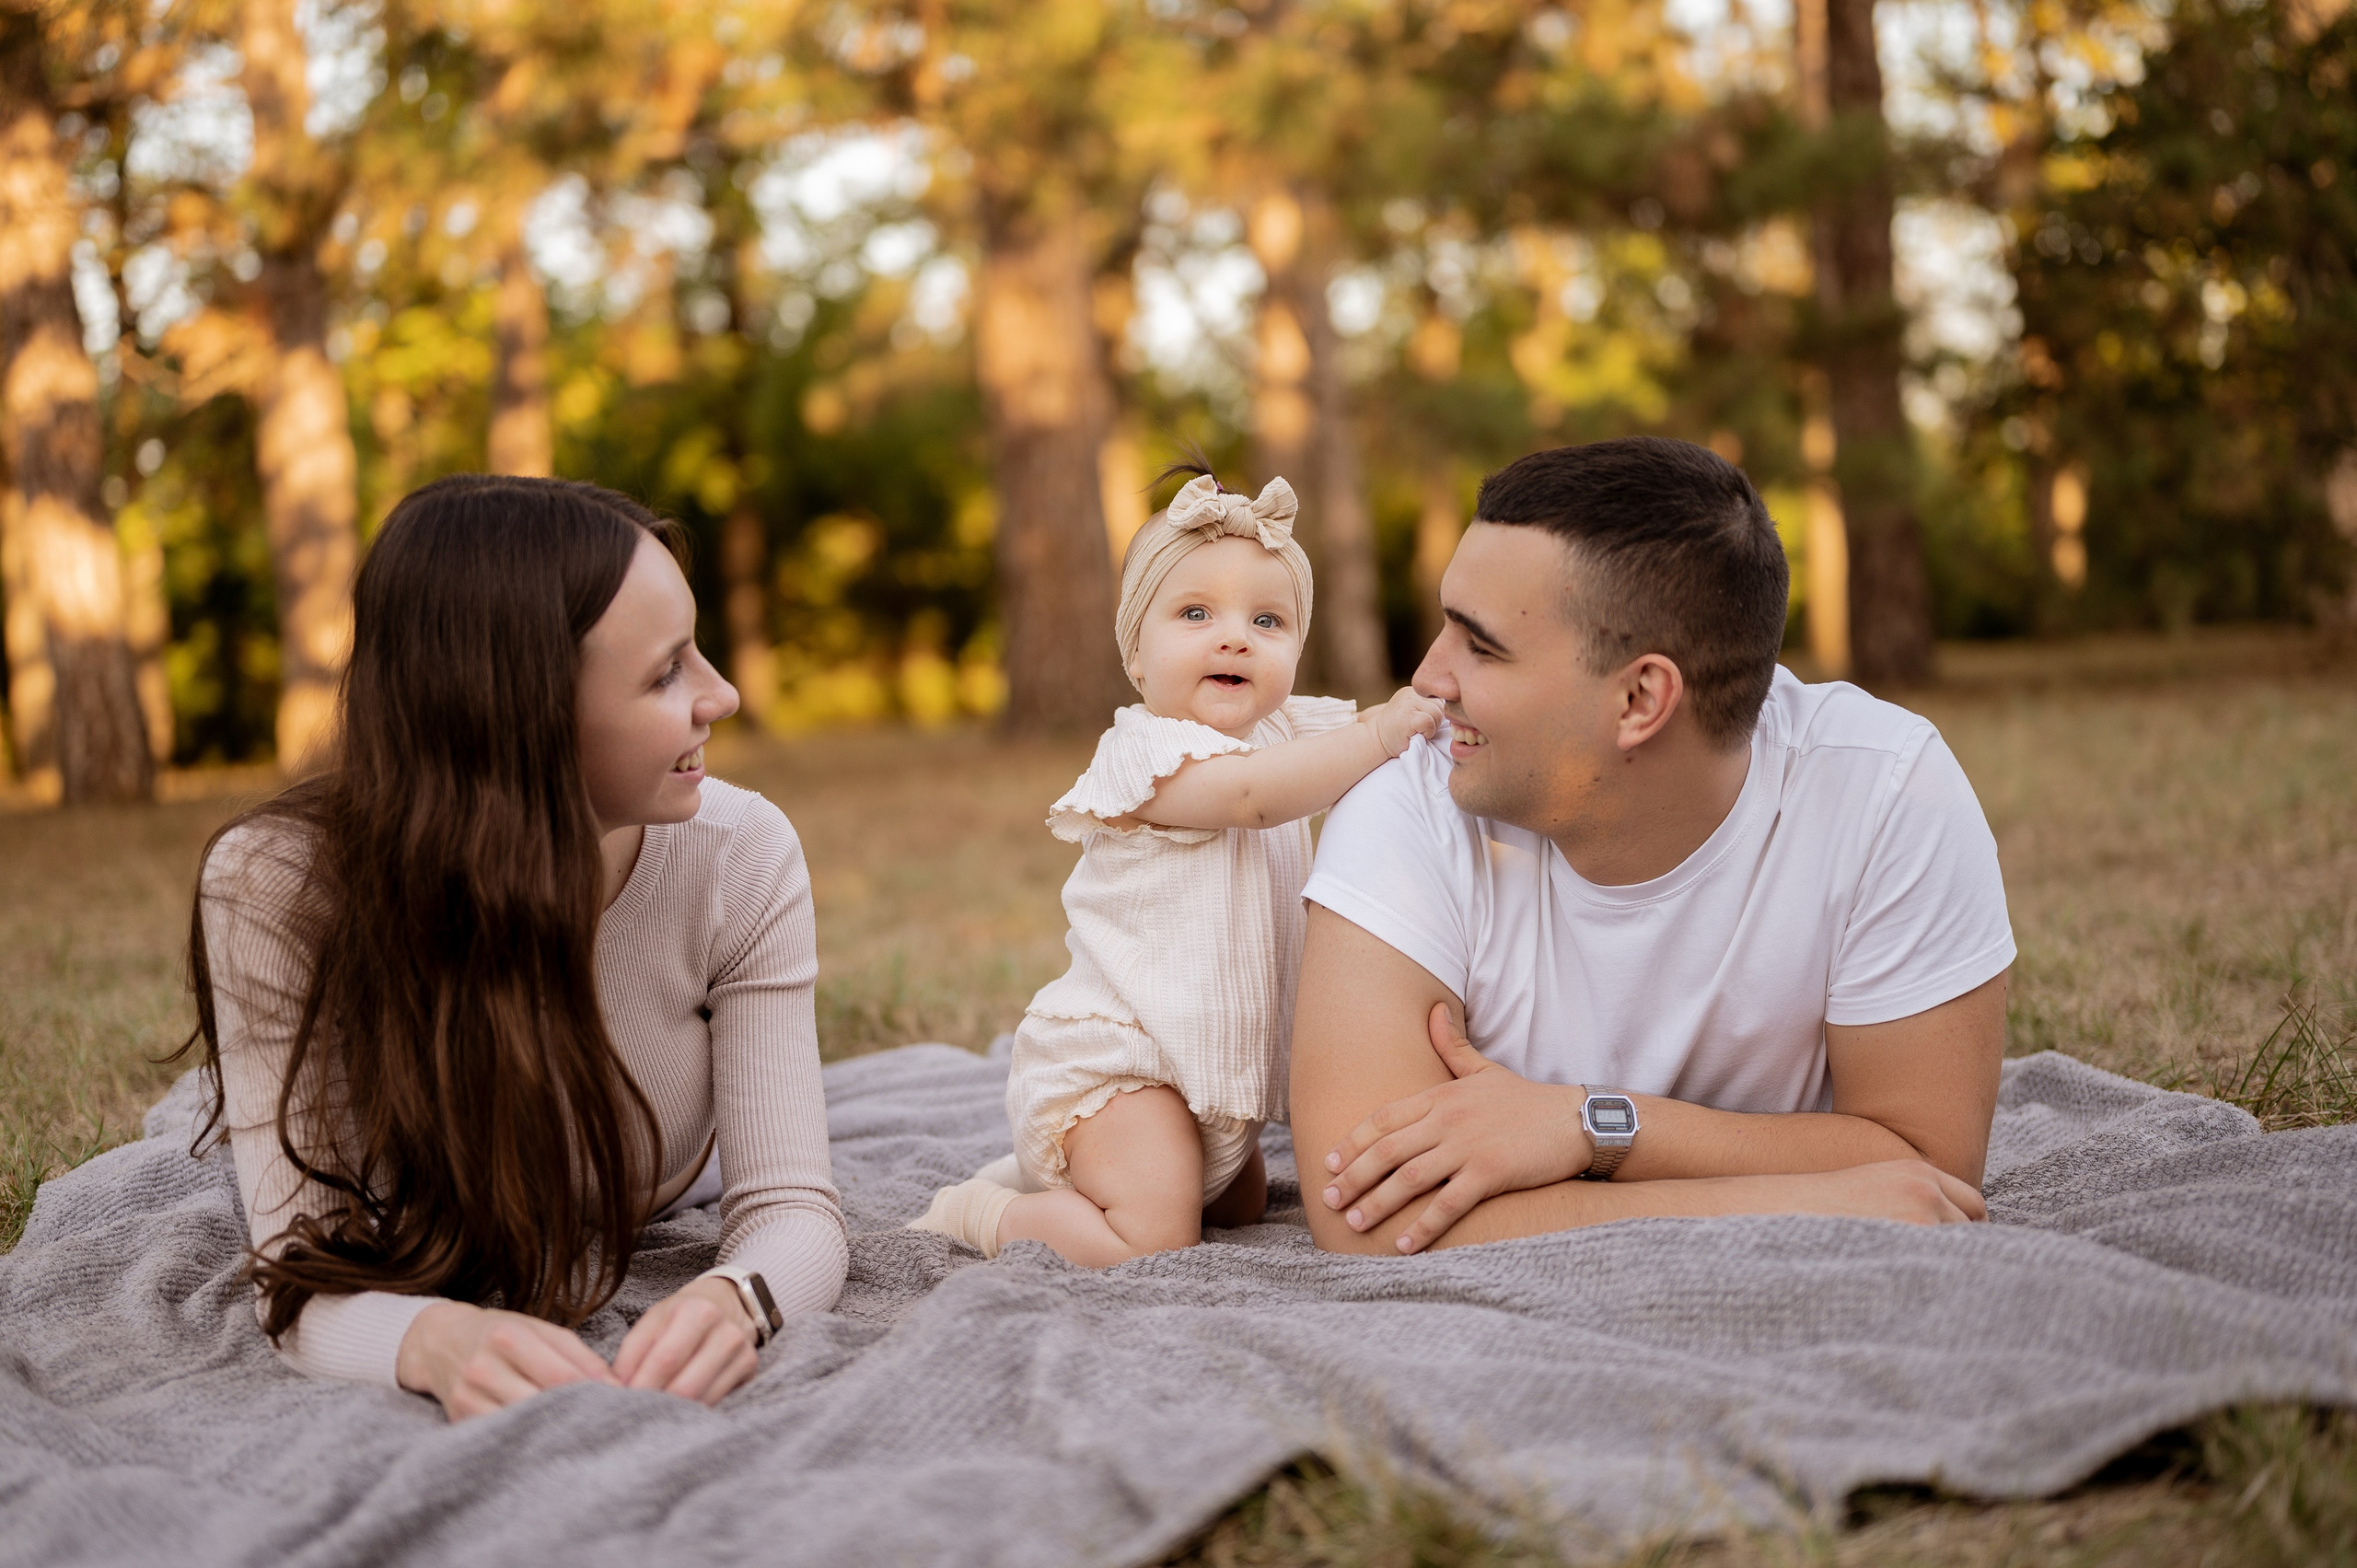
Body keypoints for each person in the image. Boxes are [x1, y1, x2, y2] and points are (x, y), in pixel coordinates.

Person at [185, 475, 845, 1420]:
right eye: (665, 672)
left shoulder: (741, 854)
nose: (724, 695)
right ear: (516, 714)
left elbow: (793, 1208)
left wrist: (739, 1297)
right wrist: (430, 1339)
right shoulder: (276, 890)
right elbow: (298, 1272)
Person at [1290, 436, 2014, 1257]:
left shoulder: (1886, 794)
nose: (1427, 676)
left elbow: (1927, 1171)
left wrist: (1587, 1122)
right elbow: (1369, 1215)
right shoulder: (1407, 802)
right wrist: (1807, 1201)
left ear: (1640, 698)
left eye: (1480, 645)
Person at [908, 471, 1443, 1266]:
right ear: (1137, 651)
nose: (1234, 637)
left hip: (1212, 1071)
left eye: (1268, 620)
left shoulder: (1287, 730)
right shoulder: (1148, 749)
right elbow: (1256, 797)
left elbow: (1363, 735)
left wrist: (1418, 715)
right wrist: (1377, 738)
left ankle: (1086, 1185)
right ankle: (980, 1211)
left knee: (1245, 1203)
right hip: (1122, 1064)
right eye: (1195, 613)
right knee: (1154, 1236)